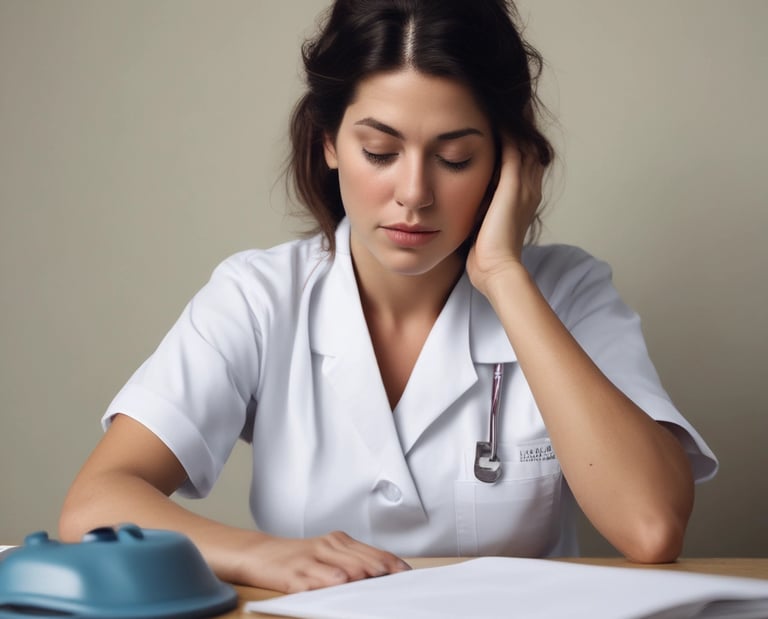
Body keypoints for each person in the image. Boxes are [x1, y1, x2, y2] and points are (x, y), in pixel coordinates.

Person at [59, 0, 717, 594]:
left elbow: (651, 525)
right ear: (329, 143)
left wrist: (502, 274)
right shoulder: (260, 296)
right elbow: (94, 503)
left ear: (508, 161)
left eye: (455, 157)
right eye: (380, 150)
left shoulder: (567, 291)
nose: (414, 193)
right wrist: (258, 553)